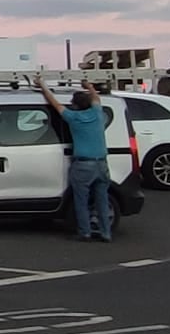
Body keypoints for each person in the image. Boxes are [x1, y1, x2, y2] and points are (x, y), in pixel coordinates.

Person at [35, 74, 112, 241]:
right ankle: (106, 232)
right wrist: (88, 85)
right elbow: (96, 98)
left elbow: (54, 103)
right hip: (102, 164)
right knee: (102, 200)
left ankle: (85, 232)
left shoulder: (74, 118)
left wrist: (42, 86)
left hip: (83, 165)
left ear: (76, 106)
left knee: (81, 200)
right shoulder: (98, 114)